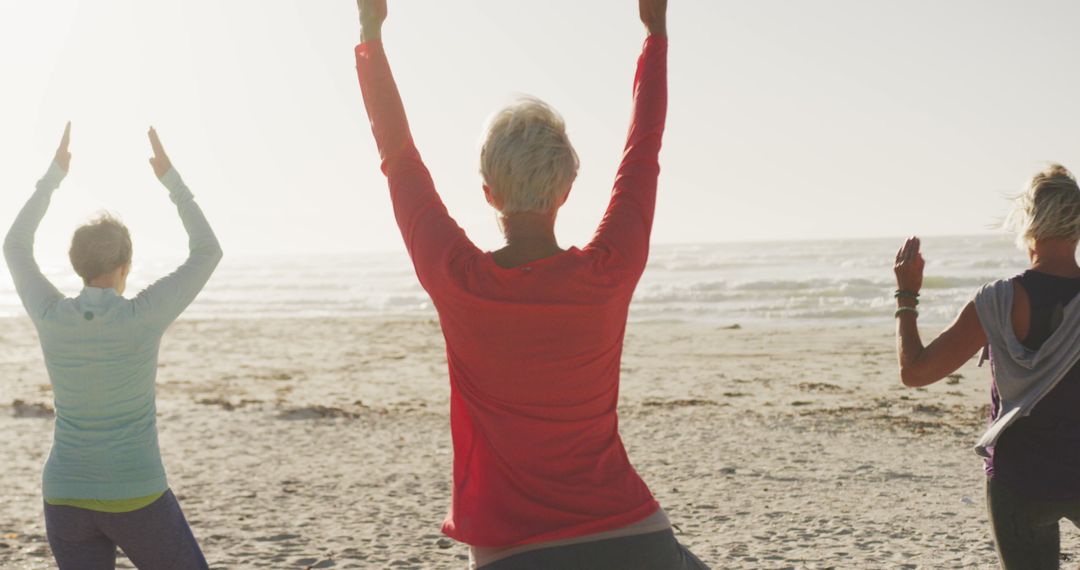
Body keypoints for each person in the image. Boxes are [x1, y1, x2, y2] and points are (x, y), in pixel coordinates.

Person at [352, 1, 707, 568]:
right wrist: (656, 35)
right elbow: (644, 147)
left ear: (489, 193)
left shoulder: (458, 279)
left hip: (512, 552)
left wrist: (371, 36)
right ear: (565, 191)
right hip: (635, 538)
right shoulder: (608, 272)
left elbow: (399, 157)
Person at [4, 123, 222, 569]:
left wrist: (52, 178)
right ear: (125, 266)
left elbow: (14, 246)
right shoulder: (141, 316)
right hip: (136, 494)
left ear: (76, 264)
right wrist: (172, 182)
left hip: (64, 496)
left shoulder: (51, 315)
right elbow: (206, 252)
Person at [894, 165, 1080, 569]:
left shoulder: (997, 302)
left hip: (1019, 480)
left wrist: (906, 296)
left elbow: (915, 372)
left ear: (1028, 221)